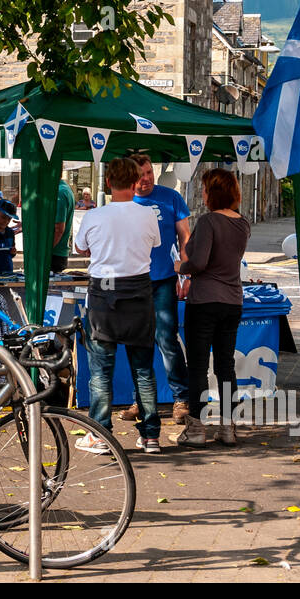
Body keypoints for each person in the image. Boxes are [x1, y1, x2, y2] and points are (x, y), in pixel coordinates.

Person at [74, 157, 162, 454]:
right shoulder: (149, 214)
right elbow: (154, 244)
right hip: (139, 291)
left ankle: (99, 433)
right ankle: (151, 435)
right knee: (144, 370)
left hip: (104, 293)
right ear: (136, 181)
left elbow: (80, 247)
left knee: (101, 370)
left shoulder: (95, 215)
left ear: (109, 182)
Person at [178, 168, 251, 447]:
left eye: (206, 190)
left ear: (214, 193)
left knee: (197, 366)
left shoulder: (209, 222)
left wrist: (180, 267)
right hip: (232, 301)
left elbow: (199, 262)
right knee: (225, 366)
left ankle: (196, 428)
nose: (203, 194)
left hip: (205, 300)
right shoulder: (242, 223)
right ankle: (228, 427)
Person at [122, 154, 193, 422]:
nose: (147, 179)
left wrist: (186, 274)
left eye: (149, 173)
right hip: (134, 282)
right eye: (141, 175)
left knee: (167, 340)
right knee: (138, 343)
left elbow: (185, 236)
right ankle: (141, 400)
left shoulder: (170, 197)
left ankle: (181, 398)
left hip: (163, 280)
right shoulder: (124, 201)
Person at [51, 177, 75, 273]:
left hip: (53, 254)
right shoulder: (63, 189)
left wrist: (44, 252)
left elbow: (59, 228)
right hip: (56, 253)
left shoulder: (59, 192)